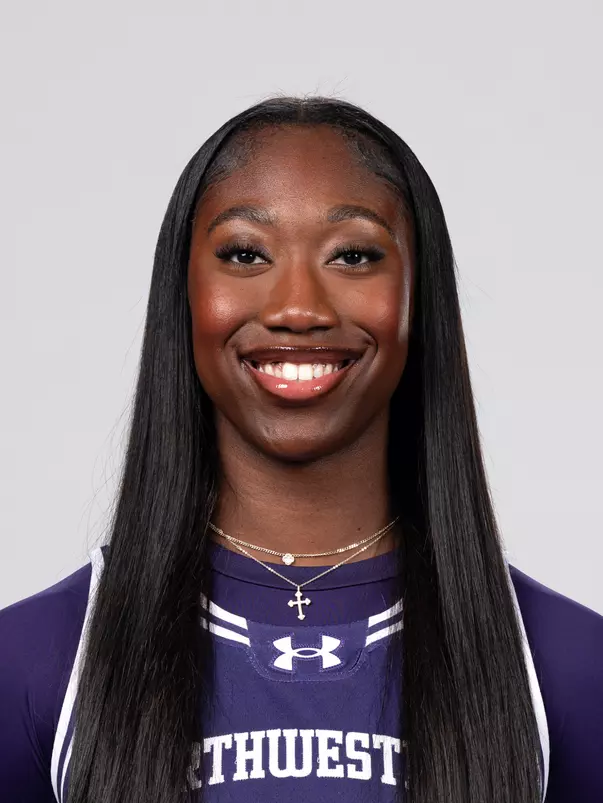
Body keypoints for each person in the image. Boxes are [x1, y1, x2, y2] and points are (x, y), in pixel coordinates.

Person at [0, 96, 601, 803]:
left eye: (353, 254)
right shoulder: (35, 664)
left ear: (417, 293)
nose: (298, 306)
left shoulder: (567, 668)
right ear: (184, 294)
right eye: (244, 253)